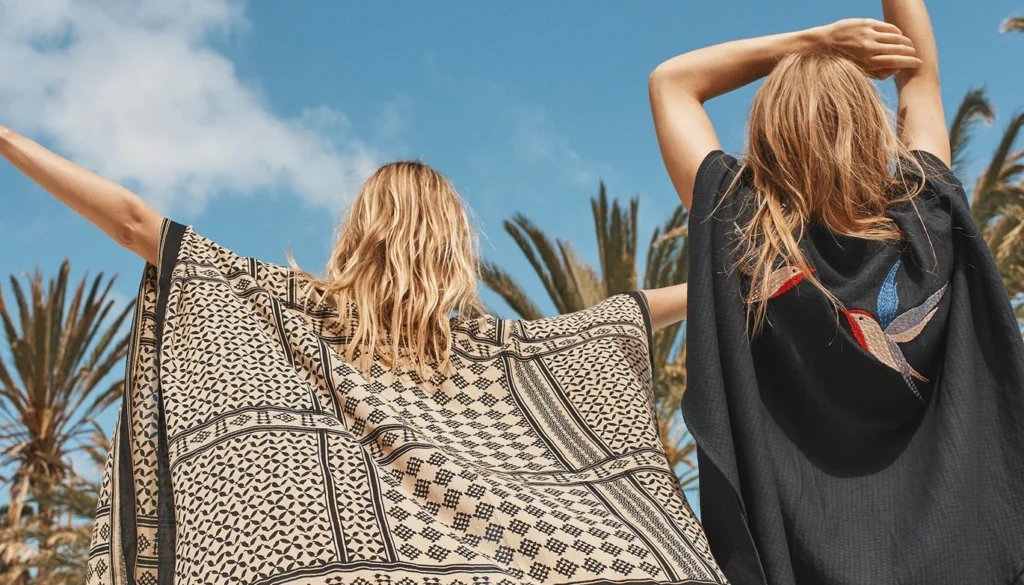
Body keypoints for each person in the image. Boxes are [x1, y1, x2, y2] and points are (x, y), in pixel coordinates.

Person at [0, 124, 722, 584]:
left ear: (359, 229)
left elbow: (136, 223)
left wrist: (6, 138)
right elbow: (624, 313)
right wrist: (728, 280)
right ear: (453, 243)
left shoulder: (282, 305)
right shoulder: (497, 352)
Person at [650, 1, 1024, 584]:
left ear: (770, 133)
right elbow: (919, 78)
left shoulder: (743, 230)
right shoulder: (930, 218)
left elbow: (672, 82)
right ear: (872, 125)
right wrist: (843, 48)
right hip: (971, 558)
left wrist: (812, 40)